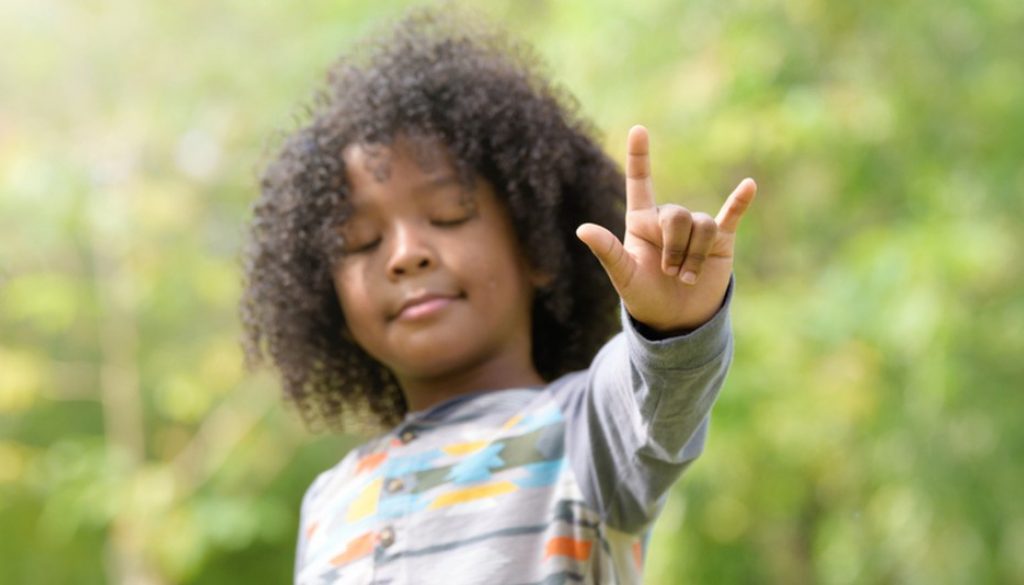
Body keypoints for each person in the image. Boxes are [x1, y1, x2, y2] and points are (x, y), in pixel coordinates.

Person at [241, 7, 756, 584]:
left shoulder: (587, 431)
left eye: (448, 214)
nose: (405, 254)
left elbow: (658, 397)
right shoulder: (329, 499)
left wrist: (673, 330)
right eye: (361, 241)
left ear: (536, 246)